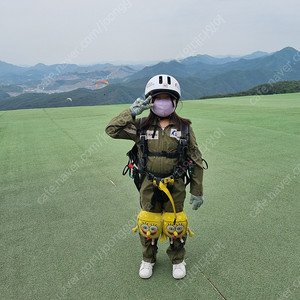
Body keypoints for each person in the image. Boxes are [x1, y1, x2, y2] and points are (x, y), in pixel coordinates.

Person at [105, 74, 205, 279]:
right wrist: (130, 113)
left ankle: (178, 259)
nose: (162, 102)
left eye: (167, 98)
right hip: (149, 185)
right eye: (157, 98)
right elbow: (112, 130)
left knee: (175, 223)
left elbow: (195, 158)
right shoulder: (140, 126)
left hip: (175, 185)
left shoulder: (184, 128)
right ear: (150, 101)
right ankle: (148, 259)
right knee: (148, 223)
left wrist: (197, 190)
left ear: (175, 101)